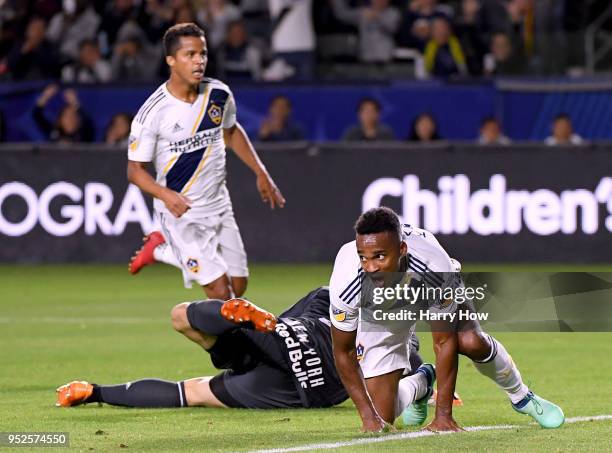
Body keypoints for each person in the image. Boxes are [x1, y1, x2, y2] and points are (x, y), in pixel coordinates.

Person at [329, 207, 565, 432]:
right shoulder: (347, 282)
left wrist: (443, 415)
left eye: (380, 257)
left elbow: (444, 341)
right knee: (382, 414)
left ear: (402, 249)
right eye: (364, 258)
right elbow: (344, 352)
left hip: (427, 290)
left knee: (470, 341)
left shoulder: (434, 267)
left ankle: (521, 396)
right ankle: (422, 383)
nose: (371, 267)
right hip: (379, 311)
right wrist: (369, 418)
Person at [56, 287, 433, 413]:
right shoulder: (403, 342)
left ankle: (94, 391)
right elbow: (403, 380)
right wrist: (426, 382)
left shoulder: (332, 302)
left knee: (181, 317)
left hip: (286, 344)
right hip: (299, 388)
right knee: (194, 392)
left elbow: (289, 316)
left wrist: (267, 329)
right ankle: (95, 393)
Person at [126, 23, 285, 301]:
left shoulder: (219, 94)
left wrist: (261, 173)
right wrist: (166, 195)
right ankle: (167, 247)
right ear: (171, 60)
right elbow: (134, 170)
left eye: (203, 53)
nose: (199, 61)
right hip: (181, 213)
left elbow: (231, 132)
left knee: (240, 284)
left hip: (219, 203)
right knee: (222, 295)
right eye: (190, 55)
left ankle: (161, 250)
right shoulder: (153, 112)